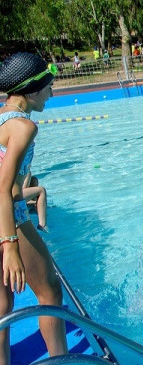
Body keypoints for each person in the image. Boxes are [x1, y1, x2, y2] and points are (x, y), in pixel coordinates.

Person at [0, 52, 68, 359]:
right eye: (48, 86)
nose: (51, 93)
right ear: (31, 89)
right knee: (50, 291)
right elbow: (3, 189)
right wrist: (10, 244)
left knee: (1, 307)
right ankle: (61, 359)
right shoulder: (23, 127)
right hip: (8, 218)